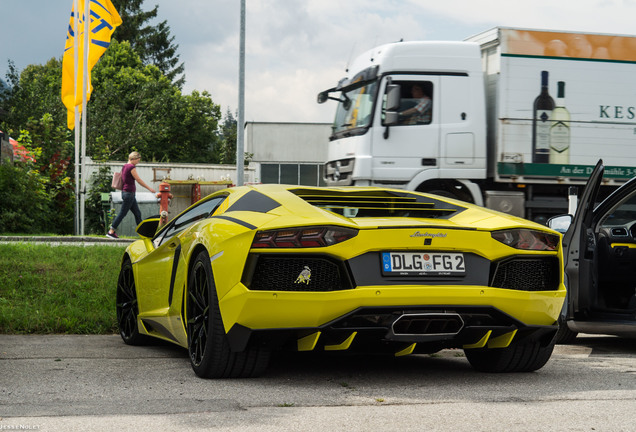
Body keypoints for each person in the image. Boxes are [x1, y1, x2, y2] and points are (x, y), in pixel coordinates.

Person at [106, 151, 156, 239]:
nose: (138, 162)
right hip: (129, 194)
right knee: (122, 213)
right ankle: (111, 231)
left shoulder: (124, 166)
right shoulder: (131, 167)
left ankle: (144, 234)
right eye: (137, 160)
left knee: (137, 213)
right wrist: (149, 188)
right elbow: (138, 180)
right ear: (133, 159)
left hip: (127, 193)